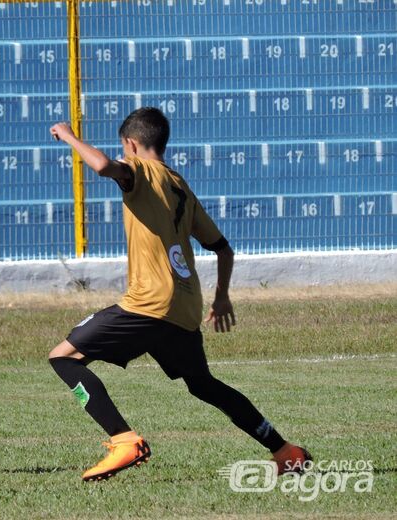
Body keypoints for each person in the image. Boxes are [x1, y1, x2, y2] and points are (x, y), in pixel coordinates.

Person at [48, 108, 310, 482]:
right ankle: (287, 452)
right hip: (185, 307)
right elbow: (222, 248)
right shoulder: (179, 184)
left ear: (131, 144)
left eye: (124, 147)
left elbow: (105, 166)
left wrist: (70, 136)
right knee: (203, 385)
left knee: (63, 358)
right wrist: (221, 299)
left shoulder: (140, 171)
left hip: (149, 302)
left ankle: (124, 441)